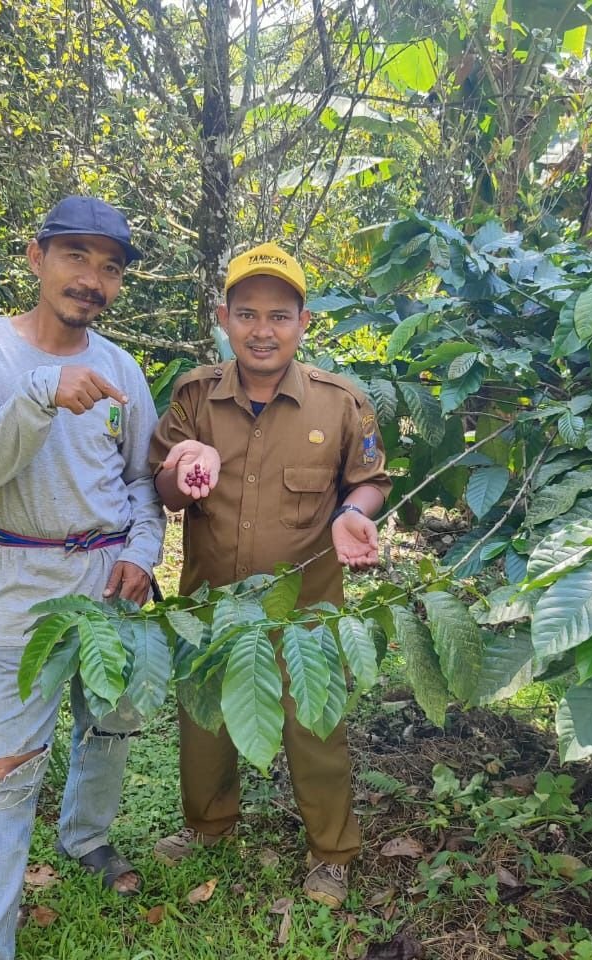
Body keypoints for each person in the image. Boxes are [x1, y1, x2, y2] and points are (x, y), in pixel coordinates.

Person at [0, 196, 165, 960]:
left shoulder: (122, 367)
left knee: (111, 723)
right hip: (26, 574)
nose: (91, 279)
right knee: (8, 766)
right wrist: (42, 394)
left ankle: (86, 839)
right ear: (37, 259)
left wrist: (144, 551)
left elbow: (142, 481)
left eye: (109, 267)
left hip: (111, 577)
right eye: (76, 256)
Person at [148, 242, 391, 909]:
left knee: (315, 731)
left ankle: (332, 853)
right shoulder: (194, 396)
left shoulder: (340, 403)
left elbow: (370, 482)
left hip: (305, 611)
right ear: (223, 317)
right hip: (209, 607)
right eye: (248, 313)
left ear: (303, 322)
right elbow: (164, 488)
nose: (263, 329)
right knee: (206, 724)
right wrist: (181, 472)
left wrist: (350, 513)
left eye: (279, 315)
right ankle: (208, 828)